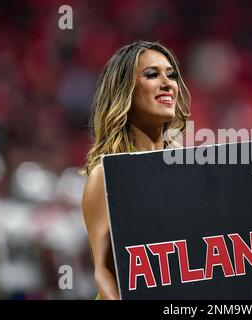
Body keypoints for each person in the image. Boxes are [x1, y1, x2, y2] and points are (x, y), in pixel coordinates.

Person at [80, 40, 191, 300]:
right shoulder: (105, 175)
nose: (167, 83)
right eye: (152, 74)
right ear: (125, 91)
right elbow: (104, 271)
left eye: (171, 75)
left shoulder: (188, 166)